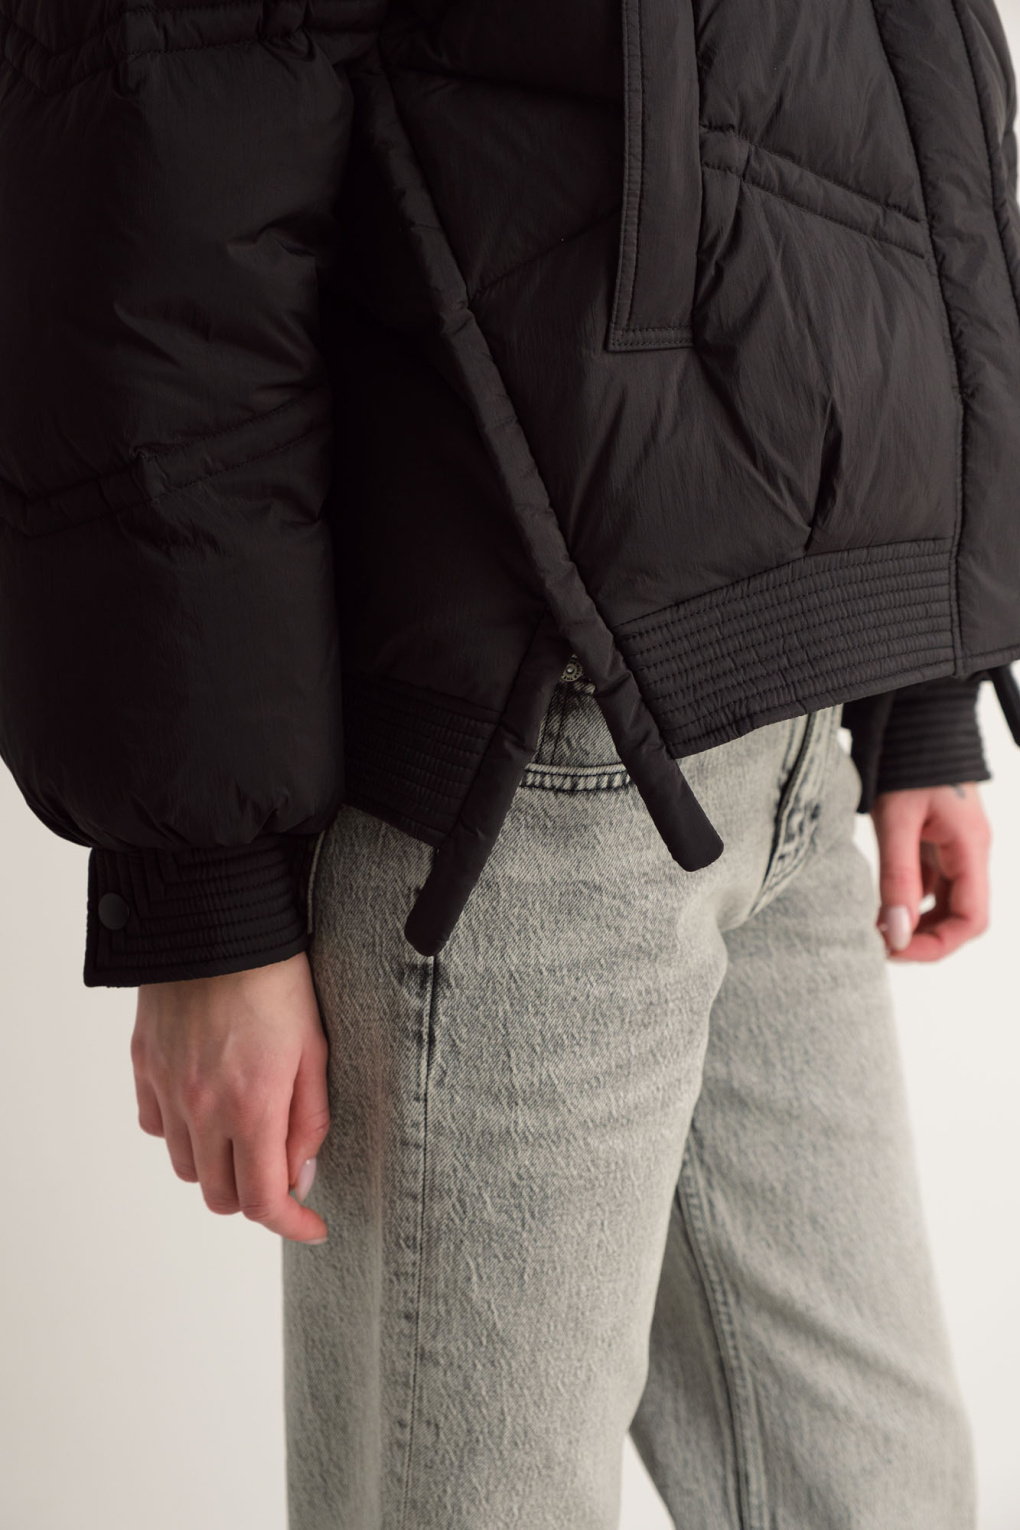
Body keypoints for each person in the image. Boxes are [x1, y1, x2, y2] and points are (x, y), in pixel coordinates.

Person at [3, 0, 1020, 1525]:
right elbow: (157, 167)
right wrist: (200, 872)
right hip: (509, 765)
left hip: (788, 712)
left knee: (885, 1492)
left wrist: (918, 669)